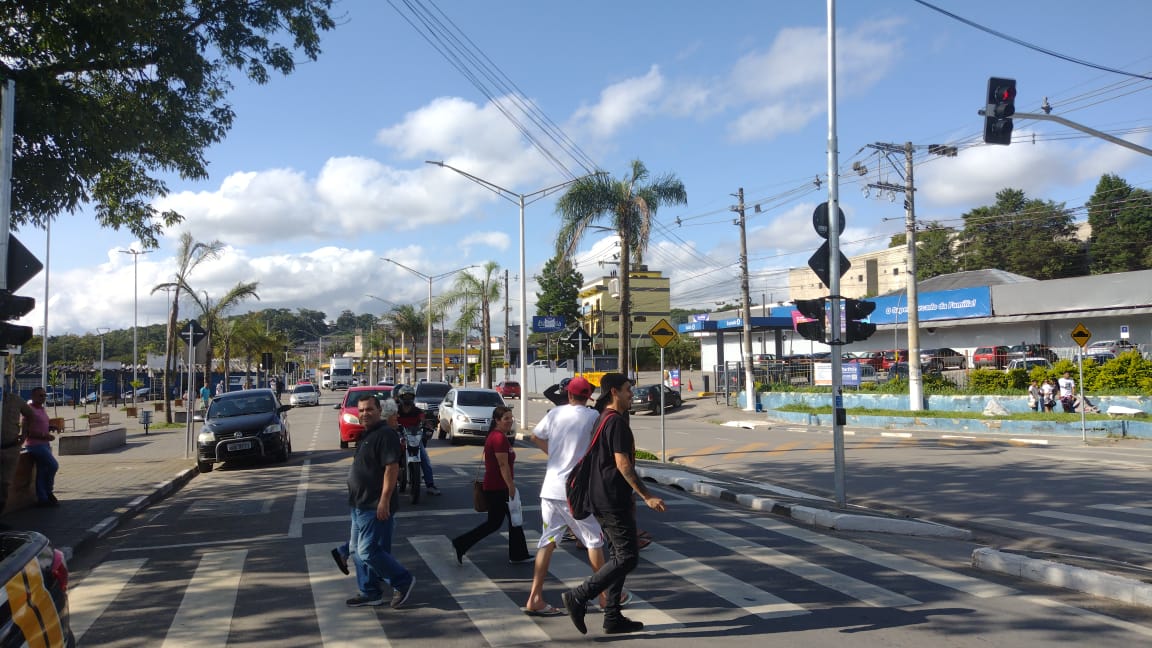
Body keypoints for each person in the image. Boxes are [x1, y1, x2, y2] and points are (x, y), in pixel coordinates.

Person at [560, 373, 666, 636]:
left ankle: (613, 617)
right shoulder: (615, 422)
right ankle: (579, 596)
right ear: (614, 392)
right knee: (628, 557)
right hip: (611, 499)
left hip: (602, 497)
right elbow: (623, 464)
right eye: (629, 389)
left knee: (620, 556)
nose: (632, 394)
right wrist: (646, 495)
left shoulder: (602, 418)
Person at [523, 376, 617, 617]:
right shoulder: (592, 417)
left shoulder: (554, 414)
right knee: (594, 540)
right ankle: (605, 597)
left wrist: (553, 454)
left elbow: (535, 436)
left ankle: (534, 597)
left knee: (548, 541)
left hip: (550, 488)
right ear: (588, 397)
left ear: (568, 394)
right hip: (574, 491)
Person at [344, 393, 416, 608]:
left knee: (367, 550)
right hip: (359, 505)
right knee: (357, 551)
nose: (365, 413)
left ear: (379, 411)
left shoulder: (385, 434)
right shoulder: (368, 434)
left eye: (370, 409)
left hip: (374, 506)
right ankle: (370, 592)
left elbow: (392, 468)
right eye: (362, 410)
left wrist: (384, 501)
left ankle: (402, 581)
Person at [451, 405, 531, 565]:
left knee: (506, 521)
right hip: (498, 487)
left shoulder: (498, 436)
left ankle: (518, 554)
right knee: (507, 521)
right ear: (497, 420)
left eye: (511, 418)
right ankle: (462, 543)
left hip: (496, 486)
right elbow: (503, 465)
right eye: (506, 418)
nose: (509, 421)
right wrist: (511, 486)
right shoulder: (499, 438)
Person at [394, 385, 441, 496]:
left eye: (410, 396)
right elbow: (390, 419)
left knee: (425, 459)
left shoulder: (417, 411)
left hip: (414, 437)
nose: (408, 398)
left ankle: (430, 485)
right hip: (399, 437)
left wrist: (427, 424)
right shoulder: (396, 410)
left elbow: (423, 419)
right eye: (405, 396)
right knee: (390, 458)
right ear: (400, 397)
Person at [21, 387, 60, 508]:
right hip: (35, 445)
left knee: (42, 472)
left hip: (44, 444)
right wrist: (45, 436)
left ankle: (43, 498)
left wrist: (50, 427)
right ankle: (49, 491)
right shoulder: (29, 410)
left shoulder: (41, 409)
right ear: (33, 396)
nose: (43, 398)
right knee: (53, 465)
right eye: (40, 396)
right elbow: (27, 431)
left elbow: (41, 425)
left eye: (44, 396)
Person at [1, 383, 35, 513]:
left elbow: (30, 415)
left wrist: (25, 433)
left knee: (5, 483)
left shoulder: (15, 400)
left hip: (11, 448)